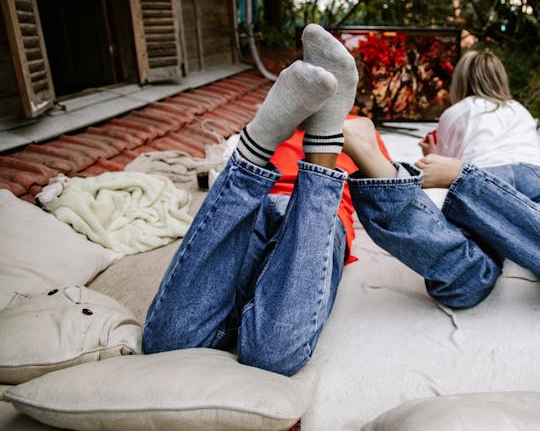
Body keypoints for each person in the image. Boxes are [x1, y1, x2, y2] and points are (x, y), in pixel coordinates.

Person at [142, 24, 388, 376]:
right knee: (166, 343)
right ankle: (261, 142)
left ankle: (323, 142)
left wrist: (350, 136)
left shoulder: (361, 125)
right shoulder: (286, 112)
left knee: (269, 356)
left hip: (318, 212)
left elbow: (382, 186)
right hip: (260, 200)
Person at [343, 50, 540, 320]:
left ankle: (384, 172)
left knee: (464, 284)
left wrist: (441, 162)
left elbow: (441, 165)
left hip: (483, 177)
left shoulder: (453, 114)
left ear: (460, 83)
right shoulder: (519, 110)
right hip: (538, 176)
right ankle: (466, 180)